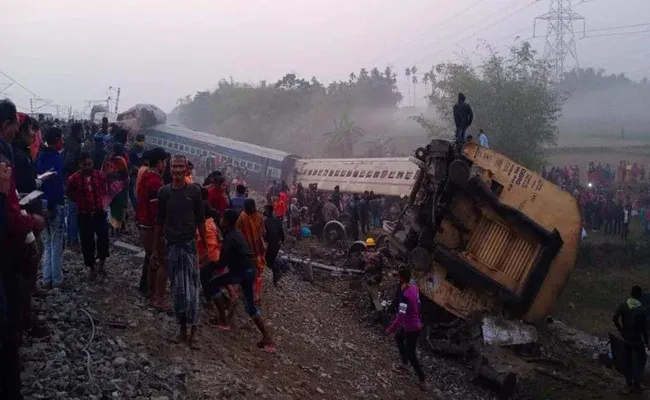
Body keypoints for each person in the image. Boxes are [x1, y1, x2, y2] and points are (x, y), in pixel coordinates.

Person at [0, 99, 45, 400]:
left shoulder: (9, 154)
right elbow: (6, 215)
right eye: (16, 124)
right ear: (6, 125)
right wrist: (31, 221)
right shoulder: (5, 156)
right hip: (5, 250)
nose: (19, 130)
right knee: (6, 331)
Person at [200, 209, 275, 351]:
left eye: (222, 218)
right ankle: (267, 338)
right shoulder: (236, 234)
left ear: (227, 222)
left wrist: (209, 264)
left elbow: (222, 263)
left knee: (213, 283)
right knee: (250, 307)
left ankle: (223, 321)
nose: (220, 220)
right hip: (249, 271)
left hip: (240, 272)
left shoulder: (229, 238)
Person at [154, 154, 206, 349]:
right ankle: (182, 330)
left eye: (180, 167)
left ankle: (194, 331)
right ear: (169, 168)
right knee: (178, 291)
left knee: (193, 290)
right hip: (172, 246)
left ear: (186, 169)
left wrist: (206, 248)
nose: (177, 170)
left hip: (190, 246)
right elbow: (159, 220)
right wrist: (155, 249)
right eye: (174, 166)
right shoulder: (164, 193)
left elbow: (200, 219)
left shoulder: (194, 192)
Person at [66, 152, 110, 280]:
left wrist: (103, 204)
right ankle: (91, 267)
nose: (87, 167)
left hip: (99, 213)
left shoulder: (100, 176)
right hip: (84, 215)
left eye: (89, 164)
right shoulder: (73, 179)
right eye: (84, 165)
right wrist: (78, 200)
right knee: (87, 243)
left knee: (103, 239)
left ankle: (102, 264)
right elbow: (68, 192)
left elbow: (106, 191)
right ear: (80, 165)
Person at [385, 267, 428, 392]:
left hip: (411, 327)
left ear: (401, 278)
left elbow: (401, 315)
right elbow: (419, 305)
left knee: (412, 353)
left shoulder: (404, 295)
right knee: (399, 337)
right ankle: (404, 364)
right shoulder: (414, 288)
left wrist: (390, 329)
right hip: (414, 324)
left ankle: (423, 380)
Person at [135, 148, 166, 306]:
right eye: (164, 162)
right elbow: (155, 210)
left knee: (149, 256)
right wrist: (159, 230)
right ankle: (152, 293)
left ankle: (144, 286)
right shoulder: (155, 181)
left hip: (142, 221)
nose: (166, 165)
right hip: (149, 225)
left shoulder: (146, 176)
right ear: (159, 162)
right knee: (156, 257)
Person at [36, 127, 66, 289]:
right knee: (56, 242)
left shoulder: (39, 156)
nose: (62, 141)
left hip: (41, 204)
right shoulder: (55, 158)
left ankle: (47, 279)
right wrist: (52, 204)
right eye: (60, 138)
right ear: (56, 139)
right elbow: (54, 184)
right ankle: (57, 280)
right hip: (54, 205)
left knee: (47, 242)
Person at [613, 285, 649, 394]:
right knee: (642, 358)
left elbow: (614, 318)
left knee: (628, 360)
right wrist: (647, 342)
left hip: (626, 337)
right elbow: (644, 328)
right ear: (639, 295)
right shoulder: (642, 308)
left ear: (631, 293)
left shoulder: (623, 304)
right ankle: (637, 383)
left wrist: (621, 330)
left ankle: (629, 384)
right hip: (637, 338)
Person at [236, 198, 267, 305]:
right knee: (257, 273)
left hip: (245, 250)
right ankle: (256, 296)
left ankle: (244, 292)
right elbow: (263, 232)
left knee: (245, 270)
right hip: (258, 249)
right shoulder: (259, 217)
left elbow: (237, 233)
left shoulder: (242, 217)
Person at [63, 122, 84, 248]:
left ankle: (72, 236)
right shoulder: (75, 145)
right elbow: (68, 162)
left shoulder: (69, 141)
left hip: (68, 178)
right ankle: (73, 238)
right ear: (79, 131)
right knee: (73, 208)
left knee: (72, 208)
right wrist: (76, 171)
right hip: (72, 178)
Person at [102, 143, 129, 233]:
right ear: (121, 151)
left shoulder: (107, 158)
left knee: (109, 205)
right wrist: (126, 186)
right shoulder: (121, 160)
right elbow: (125, 176)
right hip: (118, 188)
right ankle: (115, 228)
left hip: (107, 185)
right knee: (117, 208)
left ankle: (109, 225)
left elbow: (102, 170)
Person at [263, 204, 285, 286]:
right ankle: (276, 275)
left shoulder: (266, 222)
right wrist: (282, 241)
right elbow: (281, 231)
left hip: (272, 244)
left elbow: (264, 234)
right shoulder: (277, 220)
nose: (264, 212)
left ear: (268, 211)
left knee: (268, 261)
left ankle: (278, 272)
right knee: (270, 259)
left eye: (265, 210)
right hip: (277, 243)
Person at [127, 134, 146, 210]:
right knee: (132, 192)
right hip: (132, 172)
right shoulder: (136, 149)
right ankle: (135, 207)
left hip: (133, 172)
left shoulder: (134, 148)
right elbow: (136, 162)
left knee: (131, 192)